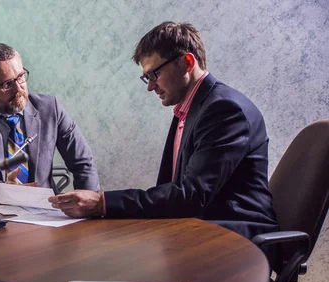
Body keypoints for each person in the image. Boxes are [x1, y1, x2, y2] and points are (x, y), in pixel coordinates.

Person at [48, 22, 278, 240]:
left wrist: (103, 202)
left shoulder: (224, 110)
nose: (150, 87)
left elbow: (192, 195)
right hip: (203, 226)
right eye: (146, 78)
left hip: (239, 235)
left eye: (154, 74)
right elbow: (176, 190)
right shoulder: (191, 108)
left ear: (187, 62)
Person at [0, 43, 100, 199]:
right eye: (7, 84)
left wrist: (88, 207)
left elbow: (83, 164)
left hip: (45, 211)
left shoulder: (50, 108)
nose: (18, 89)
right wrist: (2, 190)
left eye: (20, 77)